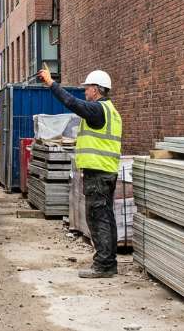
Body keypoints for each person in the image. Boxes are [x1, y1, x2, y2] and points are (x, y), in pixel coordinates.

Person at [38, 68, 122, 279]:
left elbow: (72, 103)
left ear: (96, 90)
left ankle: (103, 265)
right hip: (106, 171)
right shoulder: (111, 111)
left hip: (98, 173)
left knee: (97, 218)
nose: (85, 92)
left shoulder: (97, 110)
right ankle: (108, 262)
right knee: (106, 217)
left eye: (87, 88)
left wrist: (51, 84)